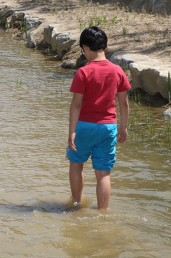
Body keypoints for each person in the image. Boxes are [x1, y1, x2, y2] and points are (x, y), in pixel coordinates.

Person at [66, 26, 130, 210]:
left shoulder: (83, 72)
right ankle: (102, 213)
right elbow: (124, 102)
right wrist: (124, 126)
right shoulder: (117, 71)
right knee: (103, 174)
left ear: (85, 47)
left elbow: (76, 104)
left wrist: (72, 131)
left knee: (76, 164)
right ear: (106, 46)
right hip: (108, 127)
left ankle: (77, 204)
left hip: (84, 127)